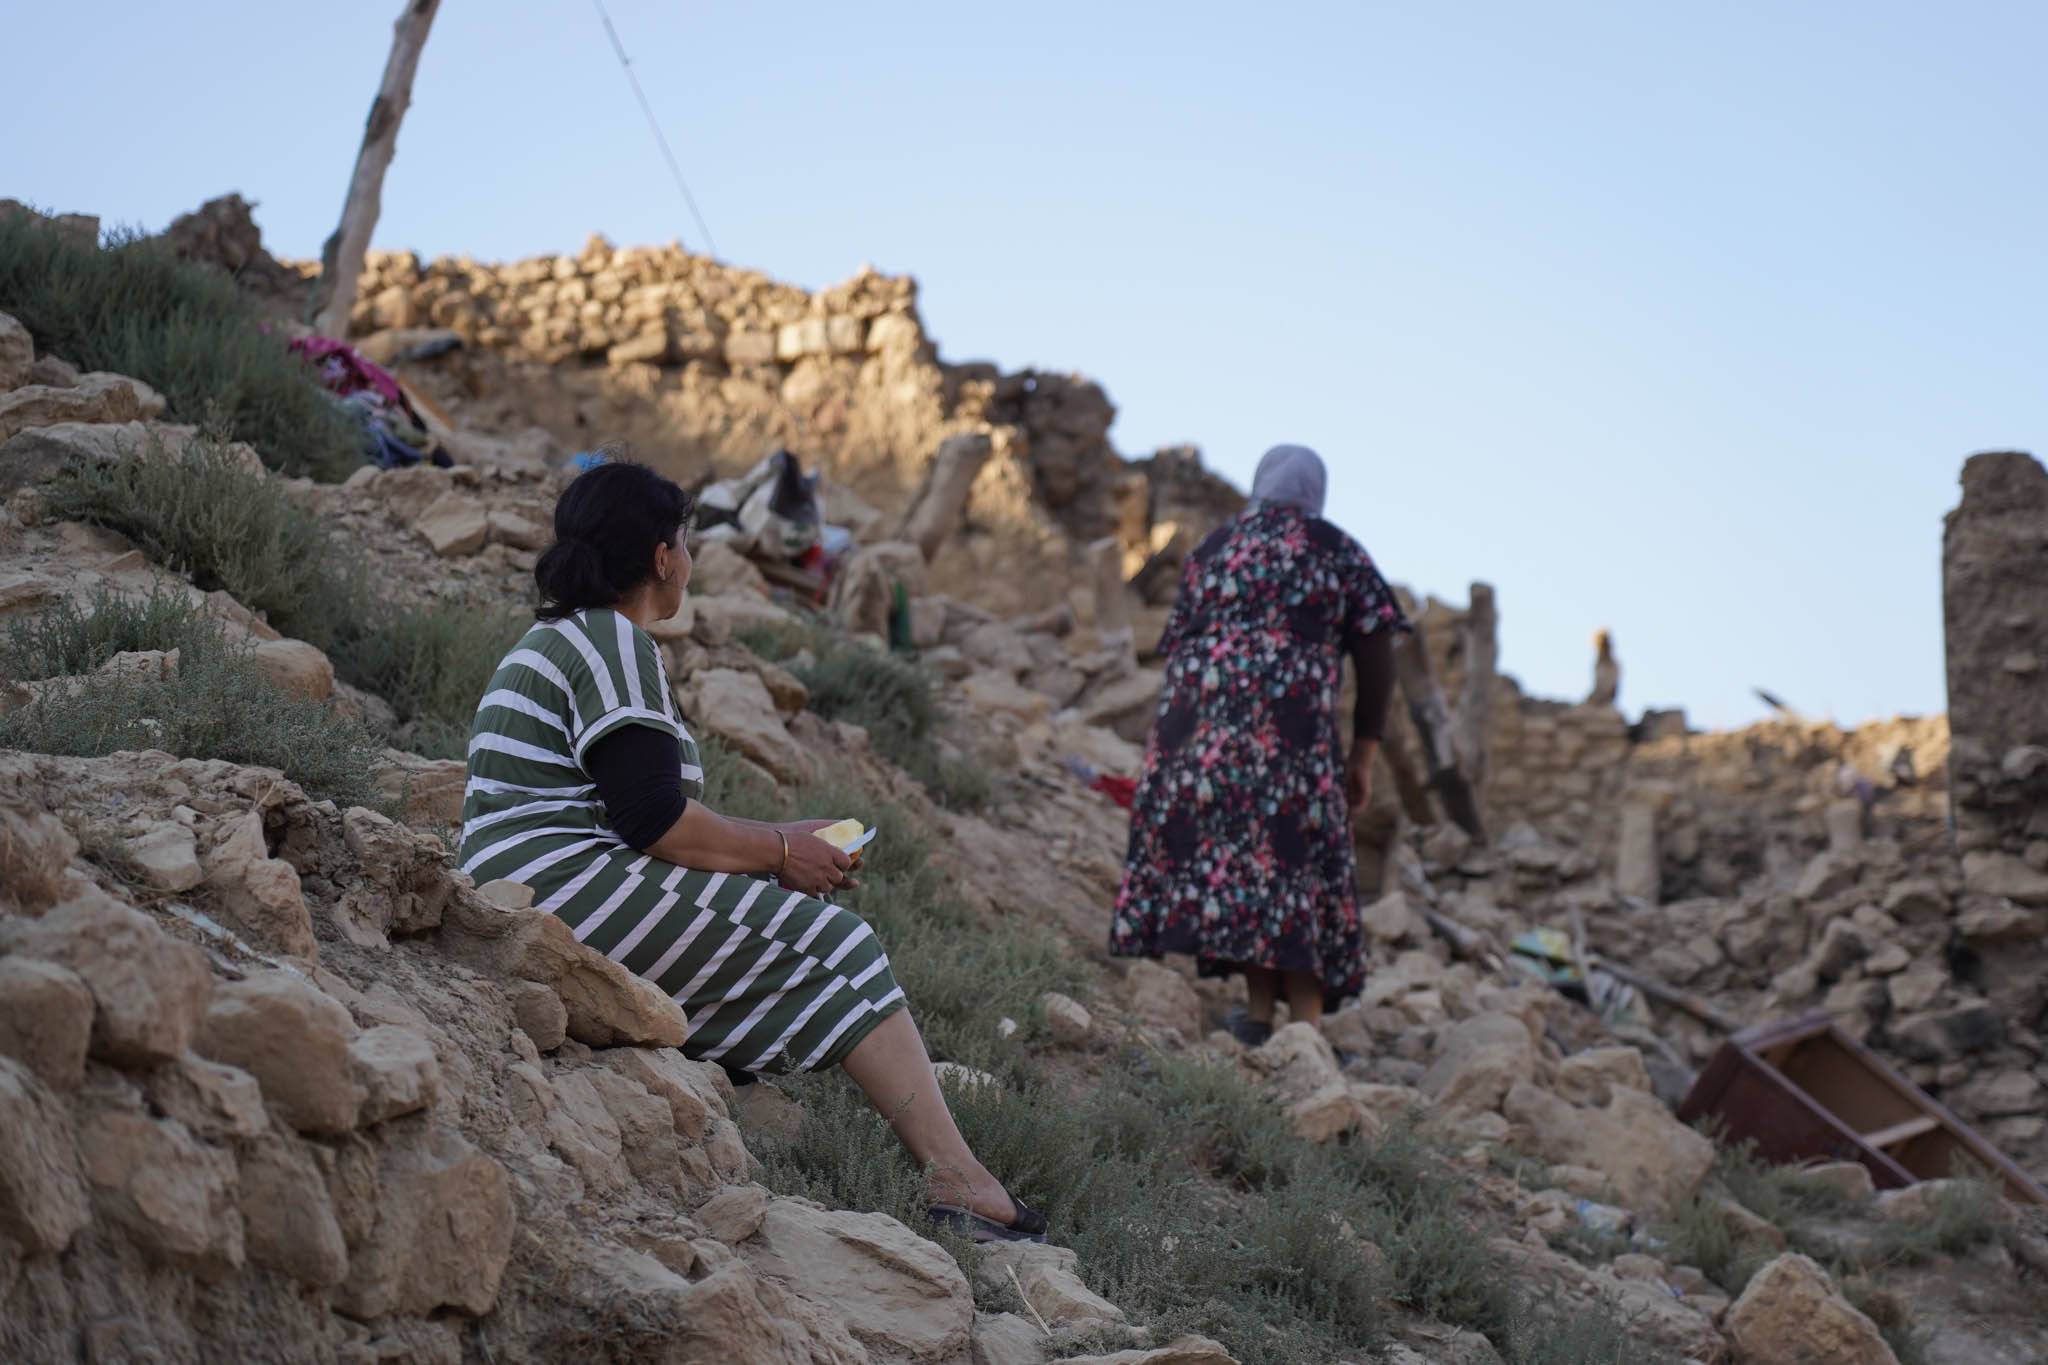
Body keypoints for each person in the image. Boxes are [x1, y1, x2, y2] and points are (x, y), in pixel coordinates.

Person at [459, 457, 1045, 1243]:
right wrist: (776, 851)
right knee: (841, 947)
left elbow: (639, 817)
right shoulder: (613, 639)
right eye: (686, 544)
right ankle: (959, 1180)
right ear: (664, 558)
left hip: (519, 888)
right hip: (558, 886)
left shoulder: (555, 638)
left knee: (768, 922)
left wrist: (778, 855)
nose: (690, 562)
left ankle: (729, 1056)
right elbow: (651, 817)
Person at [1109, 445, 1408, 1047]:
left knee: (1240, 866)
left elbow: (1180, 646)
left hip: (1200, 734)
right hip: (1287, 737)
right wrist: (1364, 755)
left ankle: (1260, 1017)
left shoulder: (1216, 547)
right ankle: (1305, 1030)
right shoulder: (1333, 548)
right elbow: (1377, 654)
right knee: (1290, 864)